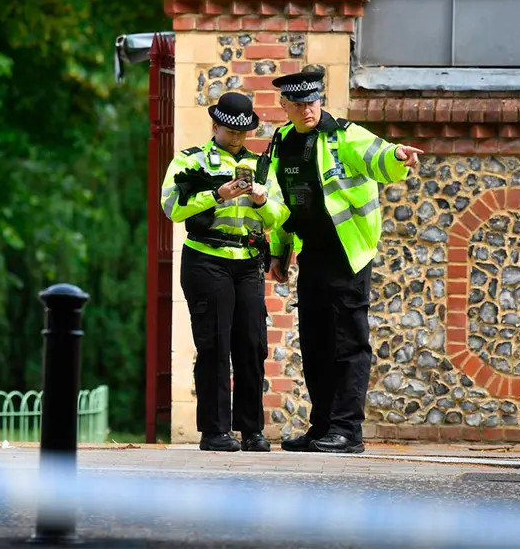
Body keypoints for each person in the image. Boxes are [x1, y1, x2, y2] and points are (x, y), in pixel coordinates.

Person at [266, 67, 421, 454]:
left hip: (348, 254)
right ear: (284, 105)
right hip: (312, 253)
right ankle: (322, 428)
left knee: (349, 344)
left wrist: (398, 157)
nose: (307, 110)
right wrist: (280, 252)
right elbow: (281, 203)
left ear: (321, 100)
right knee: (315, 344)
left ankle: (348, 431)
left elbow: (378, 156)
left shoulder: (342, 134)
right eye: (299, 104)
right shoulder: (281, 142)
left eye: (313, 101)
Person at [161, 92, 290, 452]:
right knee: (214, 343)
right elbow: (172, 206)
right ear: (215, 125)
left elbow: (281, 216)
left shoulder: (261, 166)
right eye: (229, 130)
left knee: (251, 345)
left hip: (247, 260)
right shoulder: (191, 161)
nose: (236, 137)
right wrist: (217, 194)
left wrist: (263, 202)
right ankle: (215, 432)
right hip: (207, 258)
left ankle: (251, 430)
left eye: (242, 131)